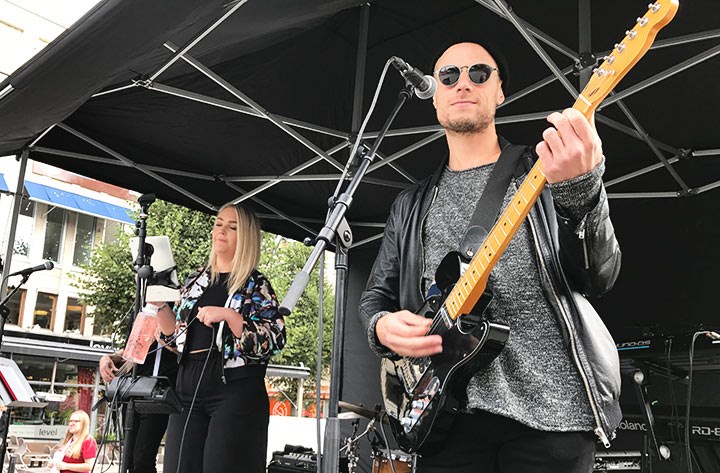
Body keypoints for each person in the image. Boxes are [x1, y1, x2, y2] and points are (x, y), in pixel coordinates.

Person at [359, 40, 622, 473]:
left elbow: (599, 277)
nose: (463, 83)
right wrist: (381, 326)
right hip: (447, 419)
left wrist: (581, 191)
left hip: (551, 417)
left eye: (479, 73)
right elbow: (374, 299)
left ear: (499, 91)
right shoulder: (410, 204)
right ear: (435, 96)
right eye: (449, 76)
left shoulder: (545, 171)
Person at [154, 203, 286, 473]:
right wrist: (159, 306)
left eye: (232, 227)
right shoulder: (195, 280)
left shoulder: (255, 284)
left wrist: (230, 316)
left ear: (246, 236)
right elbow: (174, 338)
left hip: (233, 387)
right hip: (187, 383)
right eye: (218, 223)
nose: (222, 231)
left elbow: (275, 338)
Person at [98, 341, 178, 473]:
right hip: (133, 389)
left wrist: (163, 334)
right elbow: (131, 350)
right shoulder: (137, 319)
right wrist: (109, 358)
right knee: (129, 460)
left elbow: (183, 347)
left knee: (143, 460)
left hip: (159, 390)